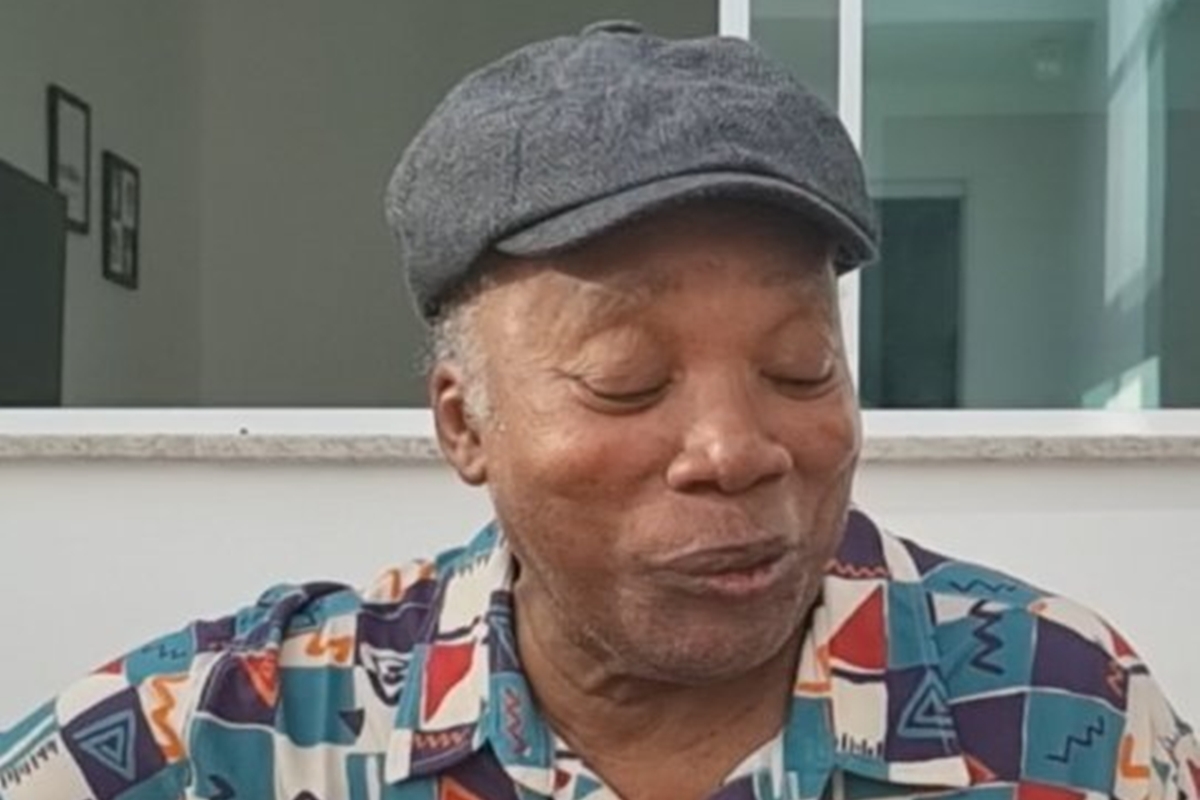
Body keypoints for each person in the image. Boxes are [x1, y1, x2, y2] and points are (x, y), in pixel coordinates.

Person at [1, 20, 1195, 800]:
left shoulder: (1059, 707)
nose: (735, 449)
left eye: (798, 368)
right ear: (464, 424)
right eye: (627, 378)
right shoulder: (237, 733)